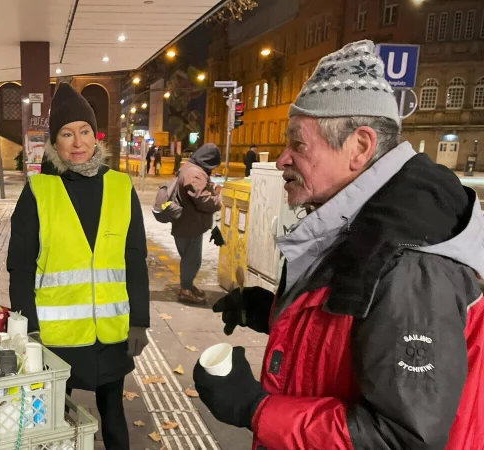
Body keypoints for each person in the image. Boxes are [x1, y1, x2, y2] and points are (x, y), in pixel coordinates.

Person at [196, 40, 483, 449]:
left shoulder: (411, 264)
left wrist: (255, 410)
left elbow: (401, 437)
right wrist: (275, 312)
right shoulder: (366, 222)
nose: (281, 160)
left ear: (360, 147)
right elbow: (357, 334)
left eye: (298, 143)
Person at [8, 83, 150, 450]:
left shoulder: (120, 186)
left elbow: (134, 257)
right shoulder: (39, 190)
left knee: (113, 413)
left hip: (110, 332)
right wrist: (28, 329)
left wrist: (140, 320)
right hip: (56, 336)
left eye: (84, 131)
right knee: (54, 418)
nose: (78, 142)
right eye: (67, 134)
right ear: (54, 143)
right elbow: (20, 266)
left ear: (95, 135)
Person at [171, 143, 222, 305]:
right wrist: (216, 199)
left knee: (189, 257)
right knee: (192, 259)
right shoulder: (194, 173)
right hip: (190, 223)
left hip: (187, 222)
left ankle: (188, 286)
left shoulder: (191, 168)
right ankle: (185, 290)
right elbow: (202, 199)